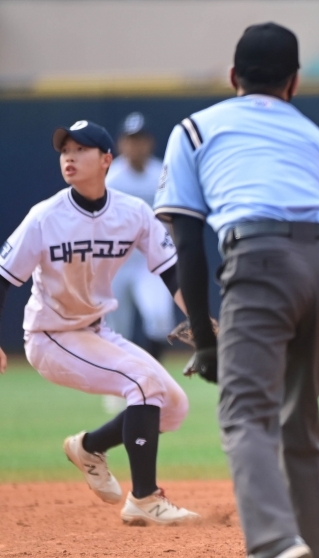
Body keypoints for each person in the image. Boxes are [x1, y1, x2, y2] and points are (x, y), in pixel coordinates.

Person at [153, 22, 319, 558]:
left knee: (246, 412)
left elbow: (188, 242)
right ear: (294, 82)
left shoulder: (195, 129)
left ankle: (273, 546)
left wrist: (203, 338)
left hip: (262, 257)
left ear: (231, 76)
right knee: (299, 412)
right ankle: (312, 546)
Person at [0, 120, 199, 525]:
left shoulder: (133, 212)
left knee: (174, 406)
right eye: (65, 151)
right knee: (143, 384)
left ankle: (89, 446)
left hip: (94, 330)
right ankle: (144, 499)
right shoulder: (45, 217)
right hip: (50, 336)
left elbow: (172, 272)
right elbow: (2, 278)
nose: (69, 157)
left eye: (80, 150)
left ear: (107, 159)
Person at [105, 112, 175, 361]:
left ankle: (152, 378)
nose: (136, 145)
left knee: (159, 317)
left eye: (141, 139)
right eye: (131, 139)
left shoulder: (162, 174)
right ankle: (117, 384)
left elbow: (171, 217)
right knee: (116, 328)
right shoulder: (111, 177)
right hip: (117, 261)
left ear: (150, 142)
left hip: (150, 259)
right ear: (121, 143)